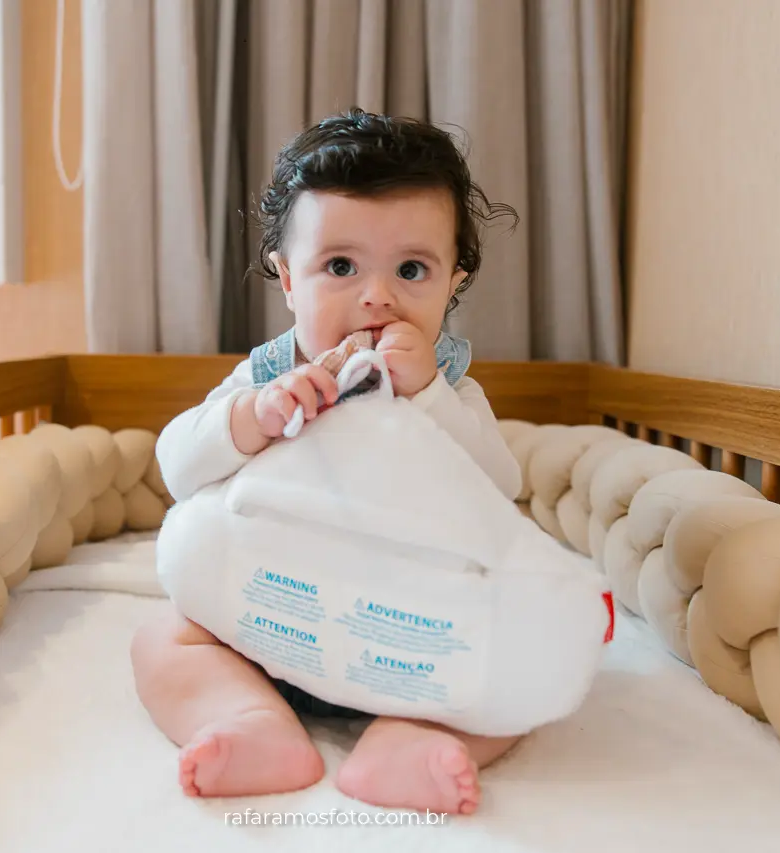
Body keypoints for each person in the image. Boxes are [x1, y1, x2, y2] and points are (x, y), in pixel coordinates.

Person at [131, 108, 523, 816]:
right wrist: (252, 418)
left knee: (527, 662)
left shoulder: (450, 386)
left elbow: (501, 487)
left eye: (411, 269)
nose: (376, 295)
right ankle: (250, 722)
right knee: (163, 638)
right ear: (286, 278)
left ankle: (404, 739)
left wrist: (428, 394)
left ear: (453, 283)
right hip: (263, 625)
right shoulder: (268, 376)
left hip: (403, 638)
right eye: (339, 266)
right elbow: (176, 463)